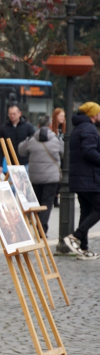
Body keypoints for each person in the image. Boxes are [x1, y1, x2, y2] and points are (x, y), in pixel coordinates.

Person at [64, 102, 100, 260]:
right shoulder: (89, 128)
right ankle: (76, 237)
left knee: (86, 211)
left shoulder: (79, 127)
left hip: (80, 177)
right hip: (88, 177)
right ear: (94, 115)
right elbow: (89, 151)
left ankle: (83, 248)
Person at [18, 115, 62, 234]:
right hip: (51, 178)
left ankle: (36, 226)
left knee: (36, 202)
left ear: (38, 126)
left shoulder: (32, 139)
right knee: (47, 203)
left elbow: (21, 151)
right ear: (50, 126)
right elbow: (64, 152)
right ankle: (42, 229)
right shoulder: (56, 139)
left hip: (35, 177)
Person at [0, 105, 35, 173]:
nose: (12, 116)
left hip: (26, 162)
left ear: (19, 114)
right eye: (10, 114)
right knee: (13, 183)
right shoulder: (4, 128)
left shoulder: (28, 127)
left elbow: (34, 144)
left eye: (14, 114)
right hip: (11, 163)